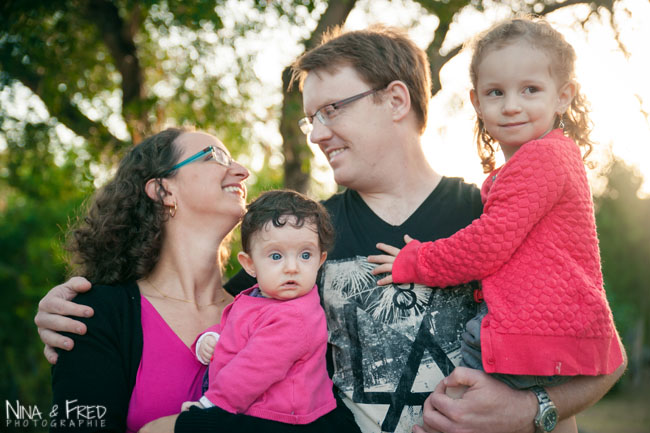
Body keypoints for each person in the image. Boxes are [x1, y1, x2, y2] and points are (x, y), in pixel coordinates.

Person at [36, 25, 627, 433]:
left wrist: (532, 412)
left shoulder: (495, 217)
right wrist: (77, 307)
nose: (317, 133)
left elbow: (601, 359)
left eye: (332, 110)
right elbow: (208, 308)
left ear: (396, 100)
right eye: (310, 116)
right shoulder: (299, 237)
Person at [367, 16, 624, 433]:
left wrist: (417, 260)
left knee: (445, 417)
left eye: (530, 90)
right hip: (550, 330)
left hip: (529, 334)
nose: (510, 105)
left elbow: (487, 245)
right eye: (495, 92)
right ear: (476, 102)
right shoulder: (542, 161)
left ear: (564, 96)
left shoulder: (543, 158)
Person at [47, 128, 248, 432]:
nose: (242, 172)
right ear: (163, 190)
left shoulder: (266, 304)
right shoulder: (96, 315)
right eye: (214, 157)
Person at [177, 190, 354, 433]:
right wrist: (211, 337)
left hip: (281, 419)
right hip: (256, 408)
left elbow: (253, 370)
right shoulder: (258, 297)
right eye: (276, 255)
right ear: (249, 264)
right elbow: (238, 325)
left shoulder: (296, 317)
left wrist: (210, 405)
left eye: (305, 255)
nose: (292, 267)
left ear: (320, 260)